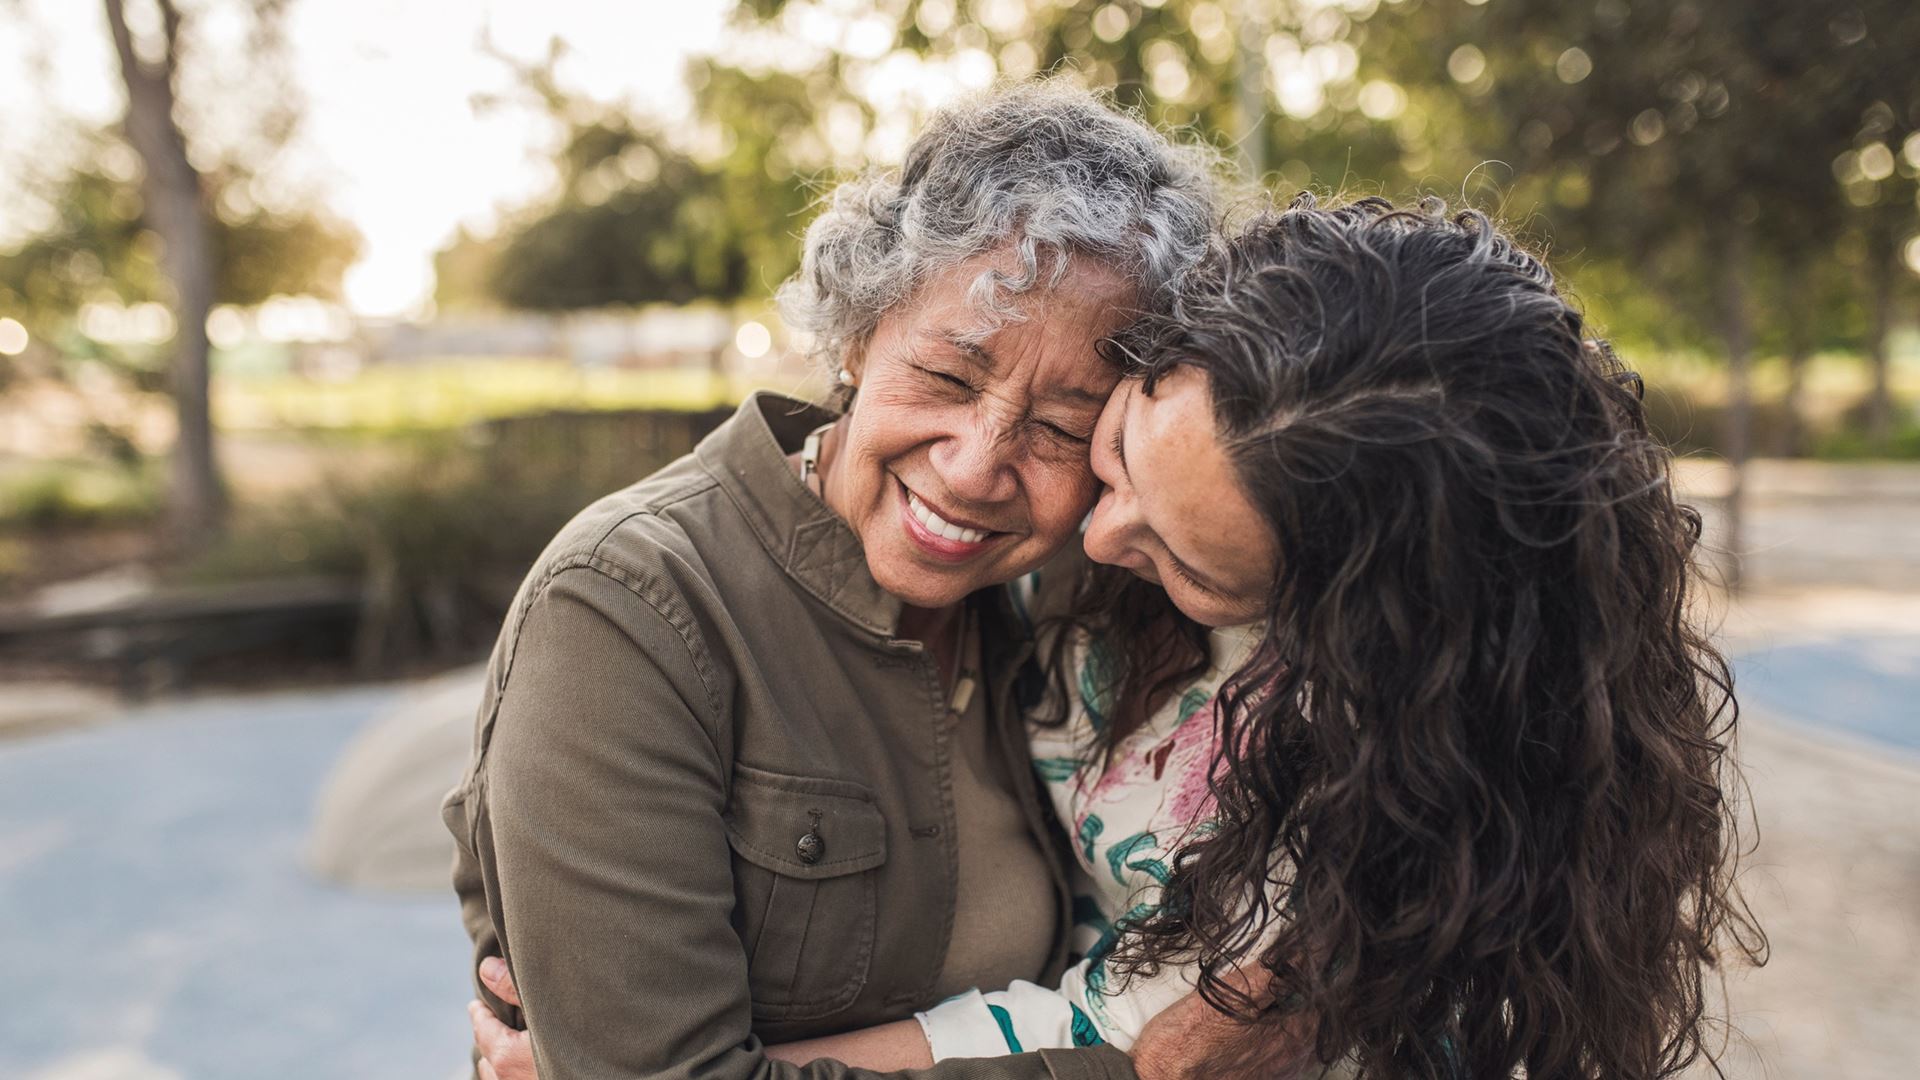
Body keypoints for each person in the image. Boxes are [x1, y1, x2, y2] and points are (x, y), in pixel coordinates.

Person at [478, 195, 1763, 1079]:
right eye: (1127, 450)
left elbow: (1148, 1044)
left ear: (1334, 607)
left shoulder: (1370, 774)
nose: (1096, 541)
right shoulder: (662, 597)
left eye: (1182, 557)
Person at [442, 80, 1221, 1080]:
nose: (979, 463)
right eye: (944, 377)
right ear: (857, 334)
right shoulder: (627, 607)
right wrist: (1154, 1069)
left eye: (1065, 427)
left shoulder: (1067, 610)